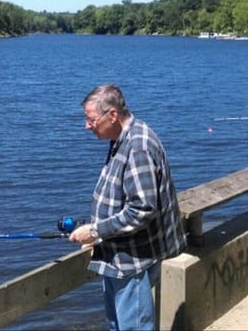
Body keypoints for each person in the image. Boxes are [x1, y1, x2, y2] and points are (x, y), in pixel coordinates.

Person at [69, 84, 187, 331]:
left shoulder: (137, 147)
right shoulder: (121, 138)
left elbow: (142, 210)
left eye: (91, 120)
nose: (87, 126)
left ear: (112, 115)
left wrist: (95, 231)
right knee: (118, 325)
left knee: (132, 327)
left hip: (133, 261)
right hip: (117, 254)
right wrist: (99, 235)